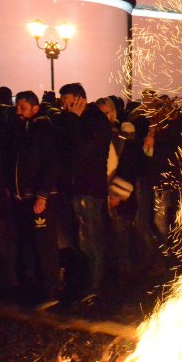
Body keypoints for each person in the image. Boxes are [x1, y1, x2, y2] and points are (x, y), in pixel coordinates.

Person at [56, 83, 111, 304]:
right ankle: (79, 284)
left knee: (89, 240)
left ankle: (94, 287)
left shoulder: (96, 121)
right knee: (76, 241)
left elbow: (82, 150)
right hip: (71, 187)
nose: (64, 106)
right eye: (62, 102)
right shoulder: (69, 119)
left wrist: (73, 119)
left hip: (88, 188)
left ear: (81, 100)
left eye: (67, 101)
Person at [11, 91, 61, 305]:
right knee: (30, 243)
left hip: (40, 199)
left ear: (35, 108)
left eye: (22, 106)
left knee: (44, 244)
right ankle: (35, 288)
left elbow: (51, 164)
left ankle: (51, 290)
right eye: (17, 106)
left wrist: (42, 196)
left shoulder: (43, 130)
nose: (18, 110)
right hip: (25, 197)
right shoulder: (23, 129)